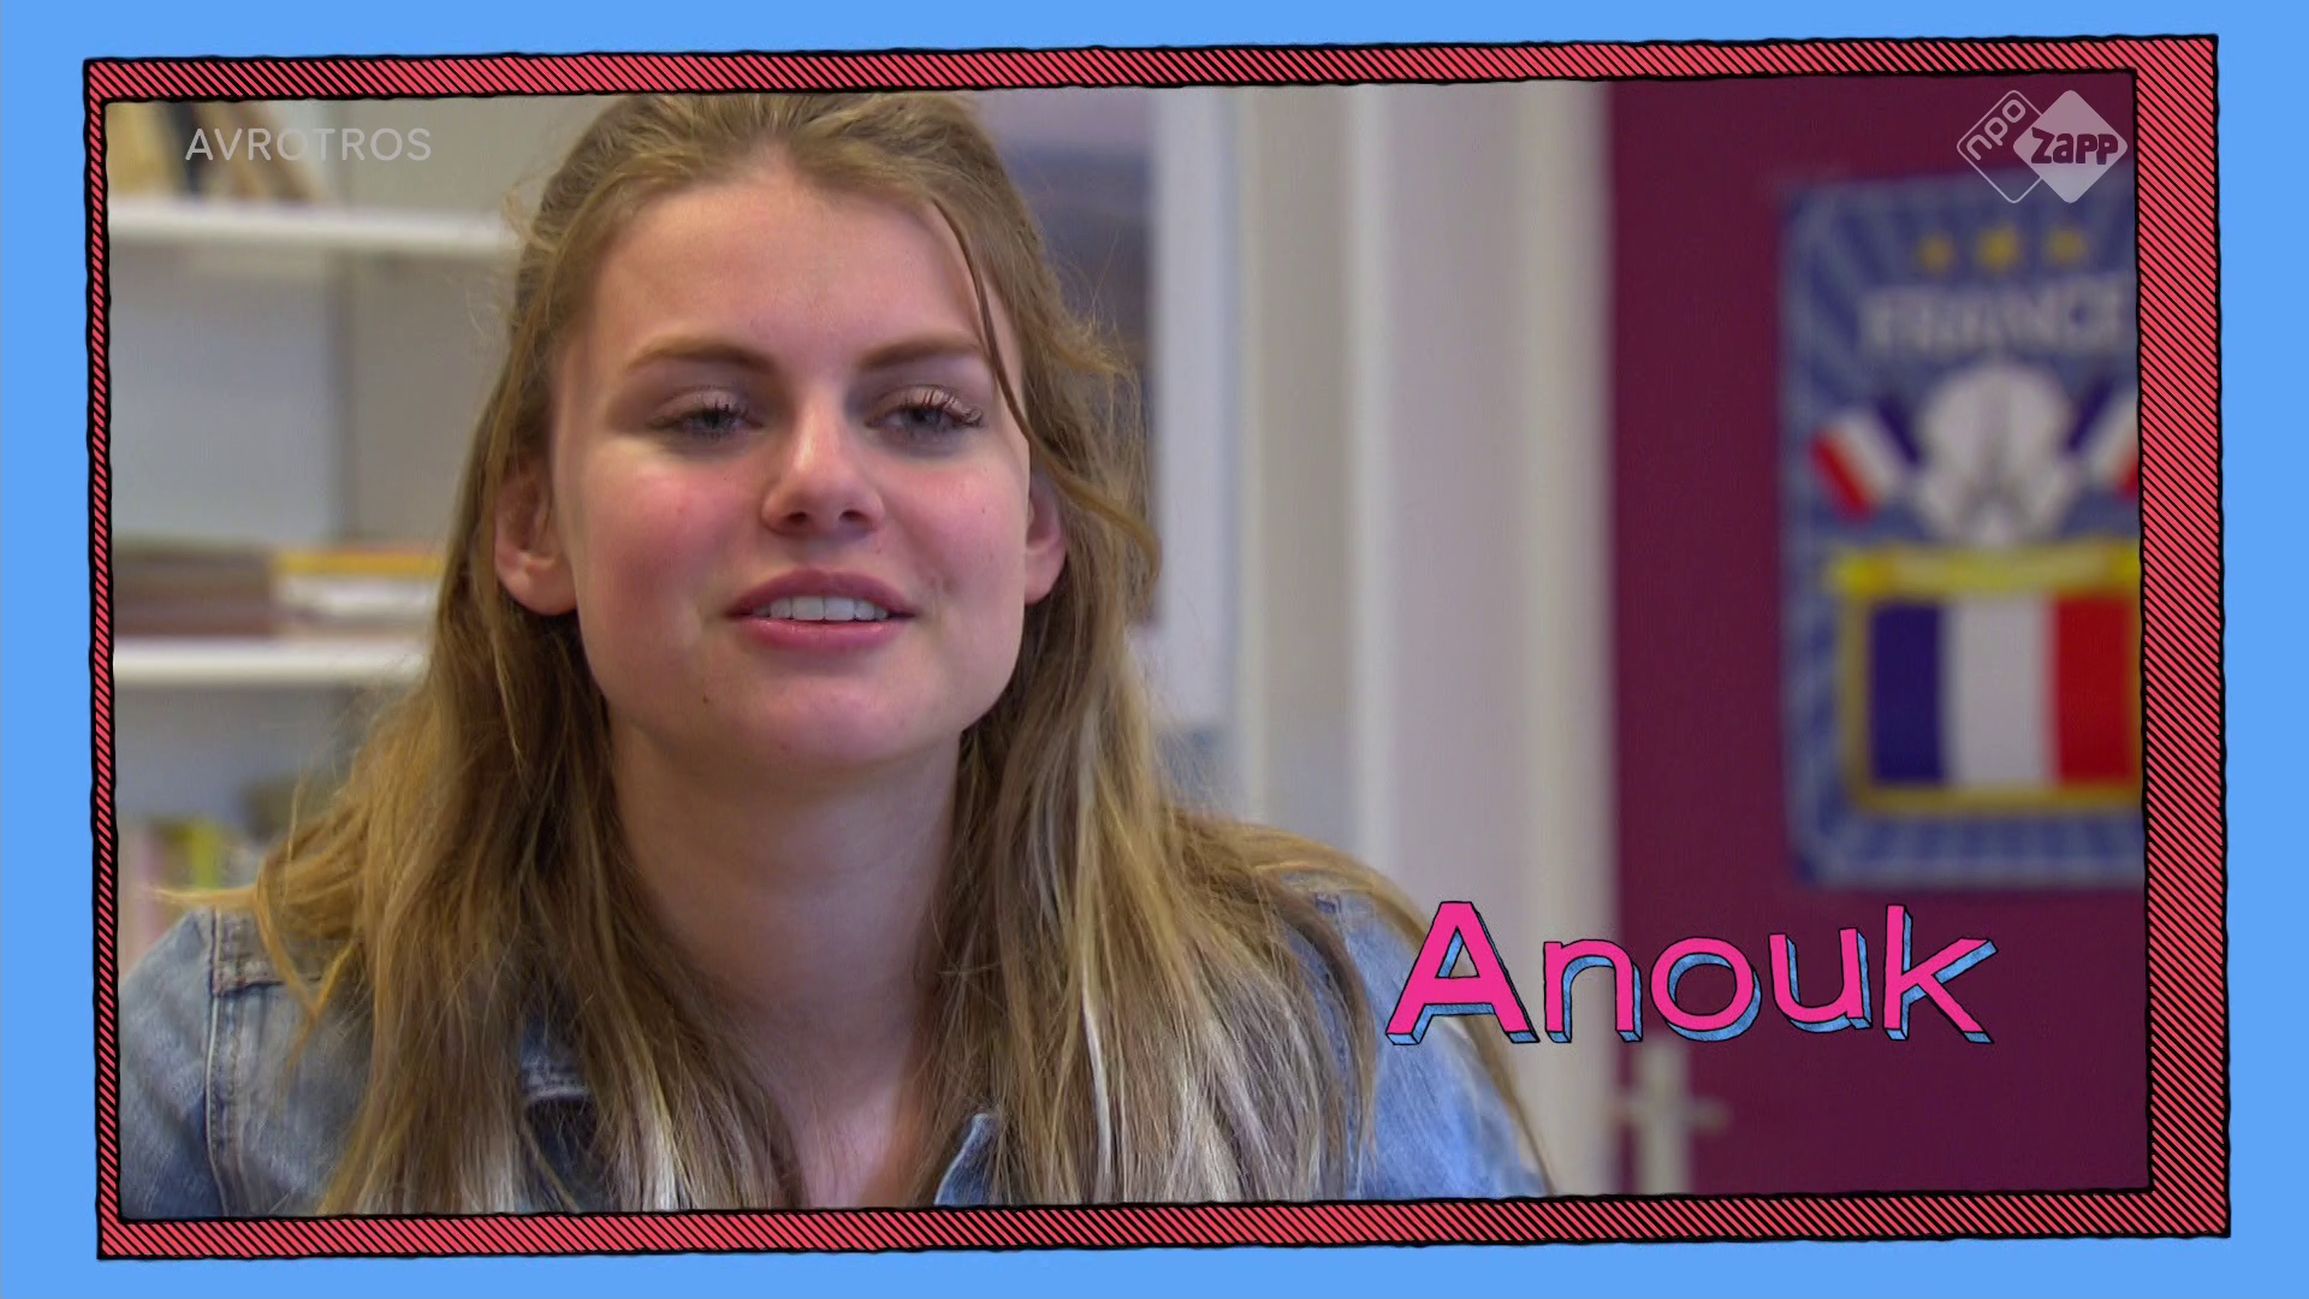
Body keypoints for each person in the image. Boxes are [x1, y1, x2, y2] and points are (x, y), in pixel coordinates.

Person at [117, 92, 1545, 1216]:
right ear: (533, 525)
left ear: (1035, 526)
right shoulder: (235, 1083)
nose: (821, 483)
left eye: (922, 414)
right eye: (708, 416)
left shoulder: (1339, 1042)